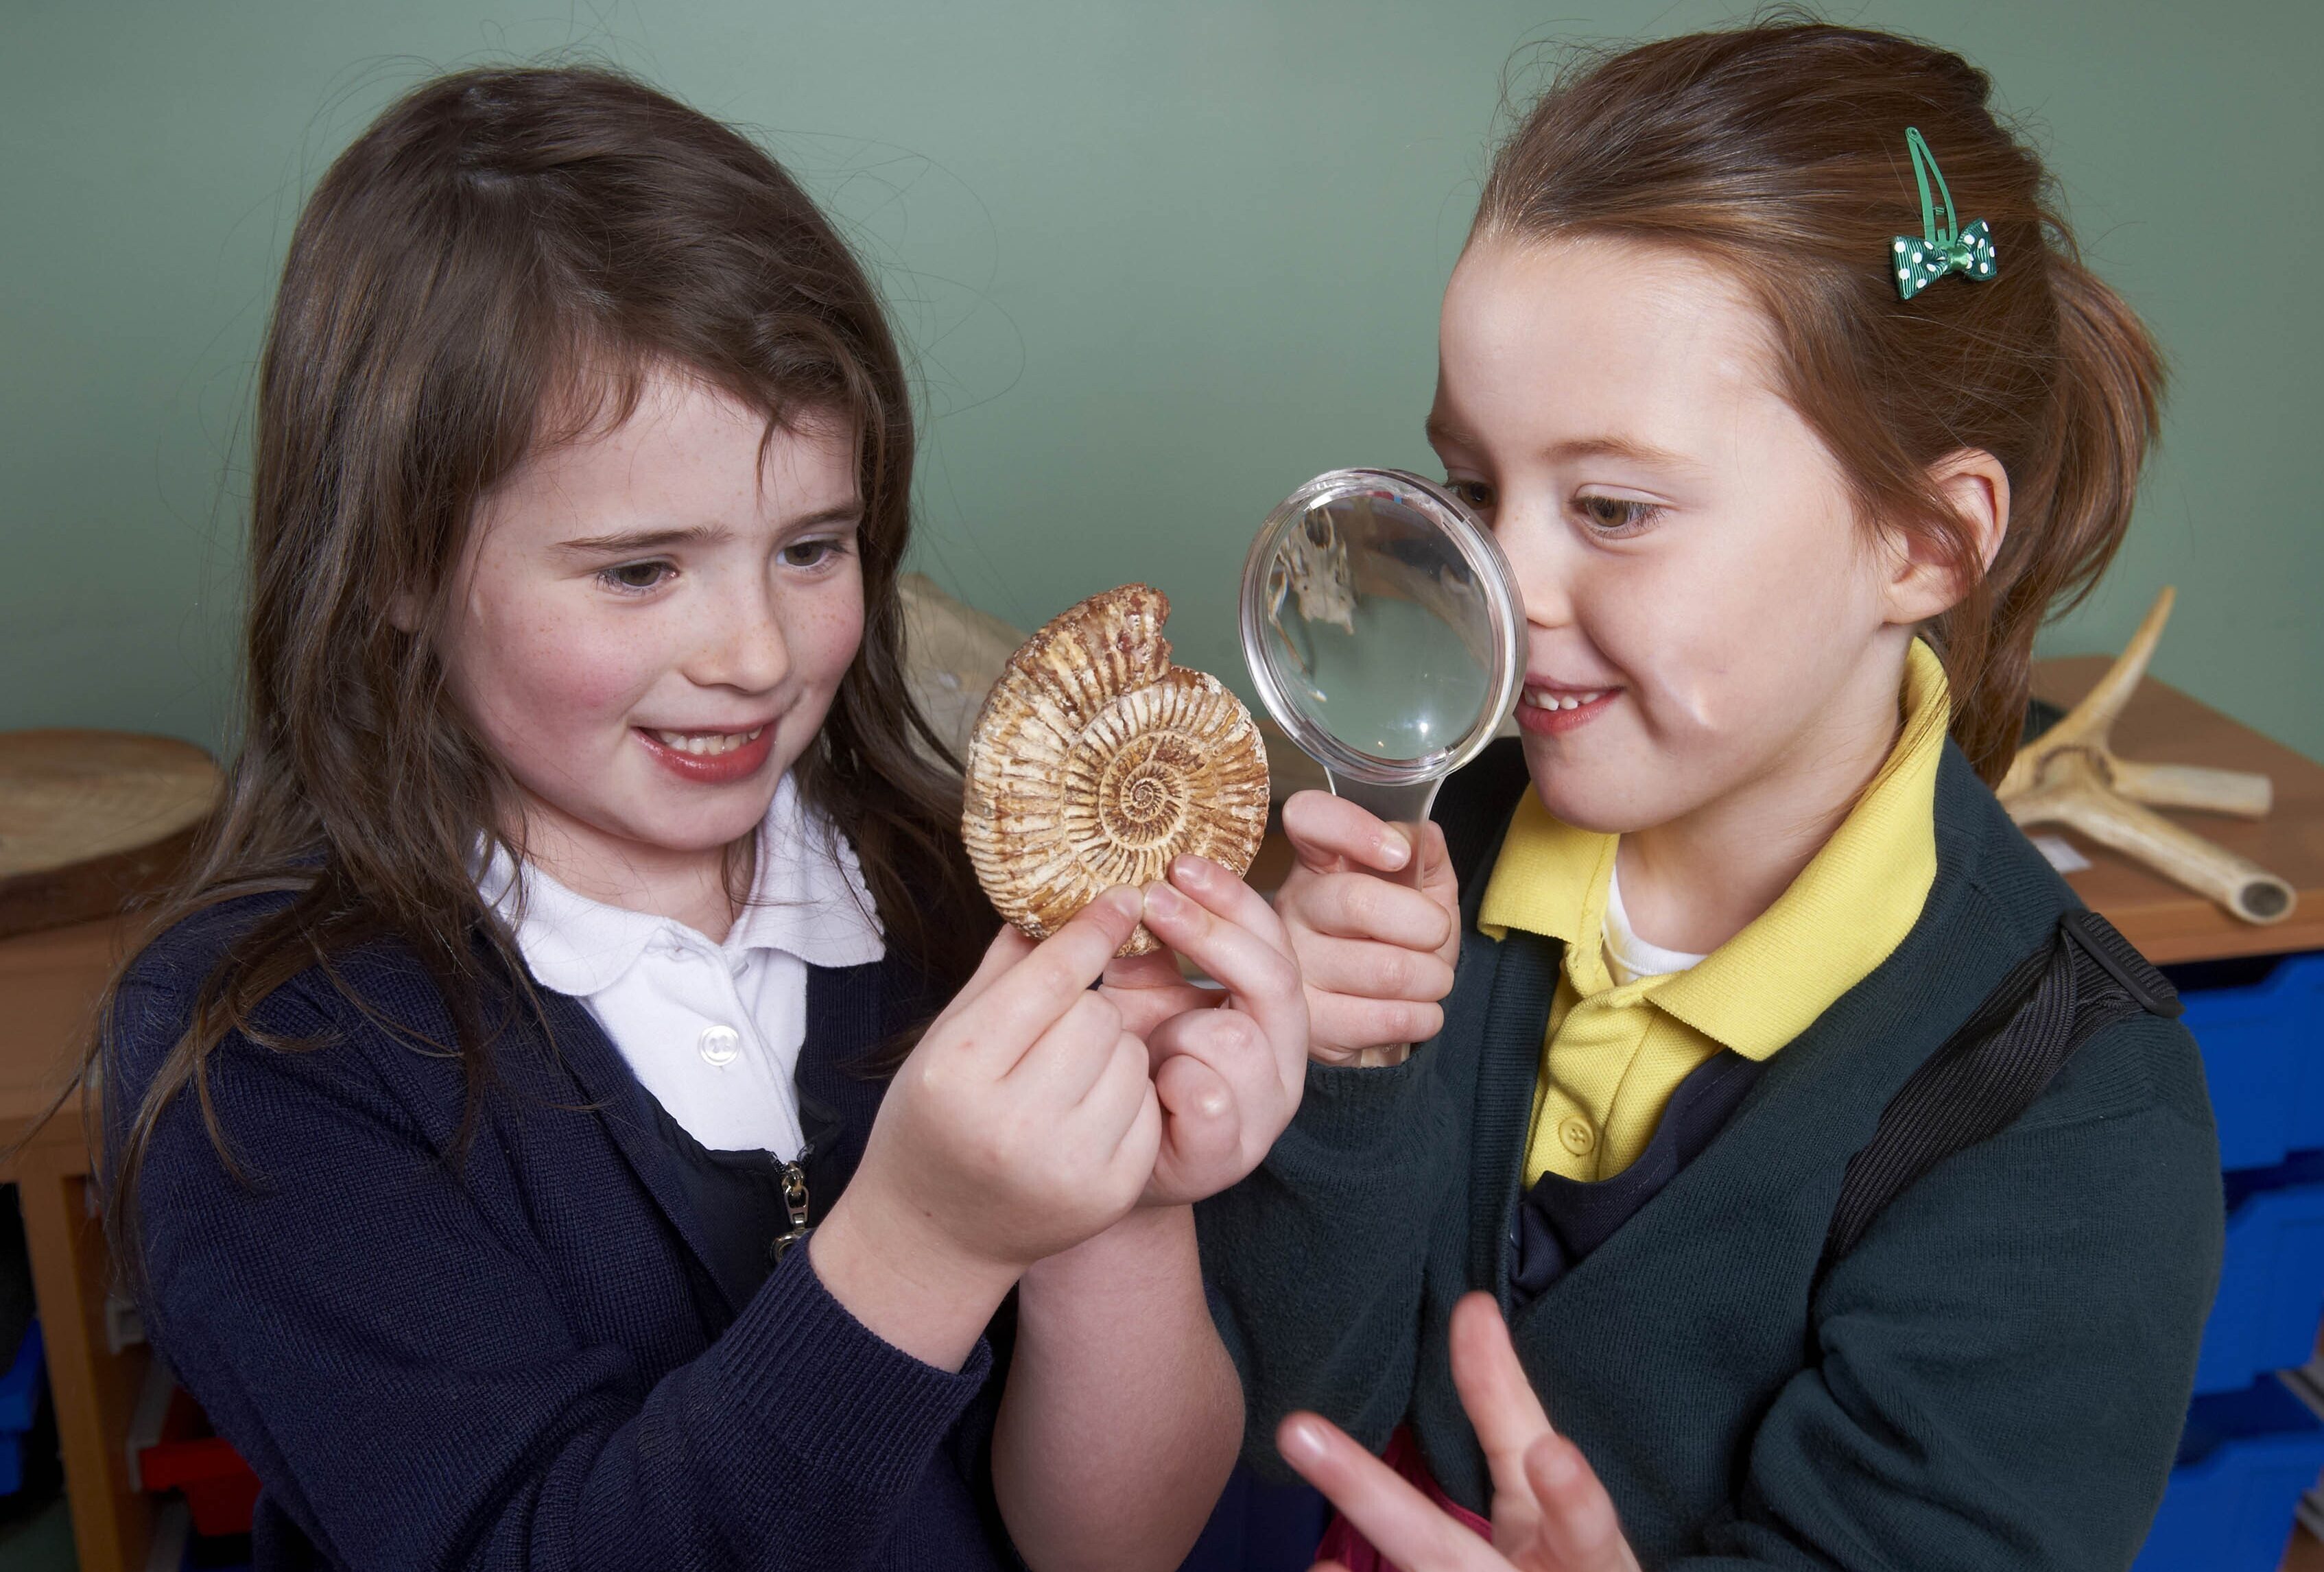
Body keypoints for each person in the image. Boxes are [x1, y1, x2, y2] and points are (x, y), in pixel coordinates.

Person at [89, 65, 1308, 1572]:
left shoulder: (963, 912)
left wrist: (1118, 1212)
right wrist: (922, 1242)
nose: (754, 650)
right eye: (637, 569)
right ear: (398, 563)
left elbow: (1108, 1549)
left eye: (810, 546)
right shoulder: (266, 1055)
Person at [1197, 22, 2222, 1570]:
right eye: (1476, 490)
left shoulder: (2066, 1118)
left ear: (1925, 546)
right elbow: (1302, 1402)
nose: (1503, 583)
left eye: (1609, 508)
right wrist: (1341, 1071)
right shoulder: (1444, 853)